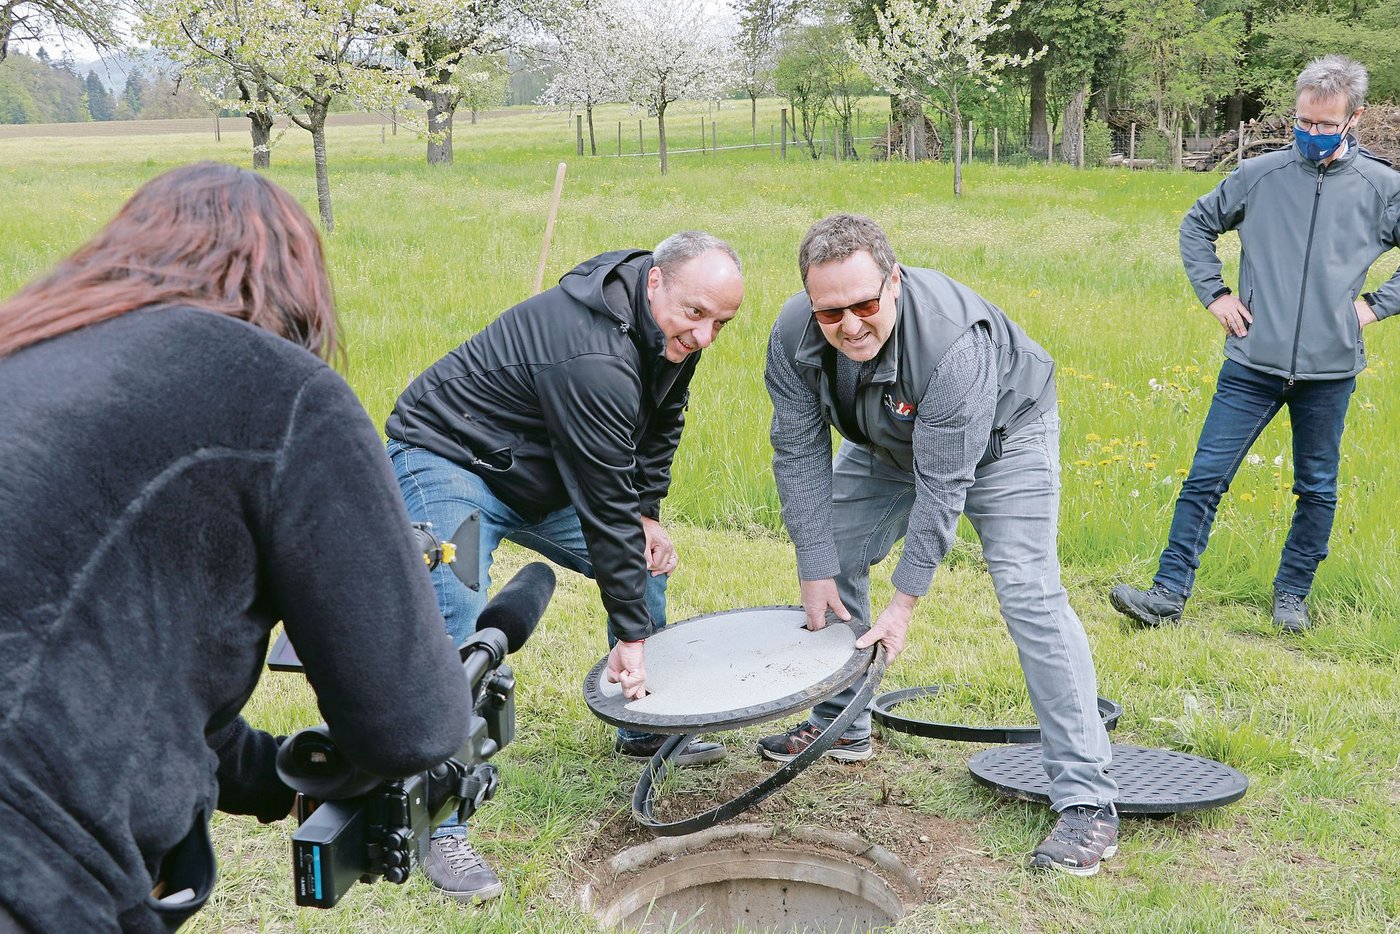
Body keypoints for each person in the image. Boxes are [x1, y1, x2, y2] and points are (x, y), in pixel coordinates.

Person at [0, 163, 475, 933]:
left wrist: (279, 777)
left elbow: (123, 679)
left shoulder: (26, 352)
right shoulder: (279, 391)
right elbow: (410, 726)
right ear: (294, 288)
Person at [383, 231, 744, 901]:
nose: (706, 336)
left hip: (539, 474)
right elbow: (605, 500)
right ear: (656, 283)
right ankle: (441, 823)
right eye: (697, 315)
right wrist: (630, 635)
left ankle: (642, 728)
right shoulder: (592, 353)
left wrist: (650, 515)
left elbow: (659, 427)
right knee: (457, 610)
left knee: (644, 558)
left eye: (722, 322)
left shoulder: (669, 328)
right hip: (448, 459)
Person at [762, 213, 1120, 876]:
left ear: (894, 283)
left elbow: (944, 486)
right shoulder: (794, 335)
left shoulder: (952, 346)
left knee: (1027, 592)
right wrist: (814, 566)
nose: (850, 325)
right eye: (830, 312)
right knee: (834, 549)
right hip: (888, 444)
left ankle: (1088, 802)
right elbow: (798, 449)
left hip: (1001, 443)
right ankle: (843, 724)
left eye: (865, 304)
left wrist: (903, 606)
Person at [1110, 55, 1400, 633]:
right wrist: (1216, 294)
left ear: (1354, 119)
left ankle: (1292, 596)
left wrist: (1372, 307)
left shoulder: (1382, 188)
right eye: (1304, 122)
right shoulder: (1261, 175)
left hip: (1330, 370)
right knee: (1204, 478)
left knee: (1317, 488)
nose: (1312, 134)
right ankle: (1167, 593)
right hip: (1252, 362)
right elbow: (1197, 224)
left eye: (1325, 125)